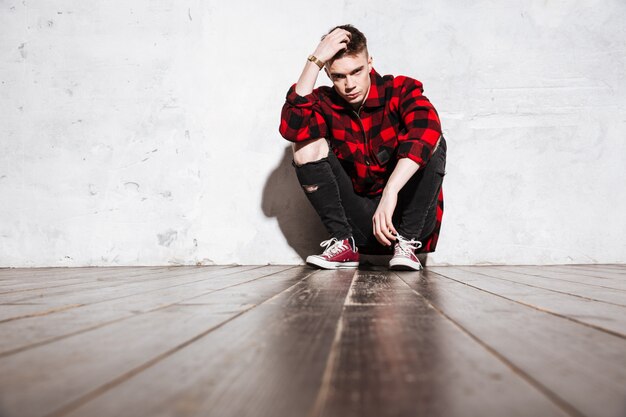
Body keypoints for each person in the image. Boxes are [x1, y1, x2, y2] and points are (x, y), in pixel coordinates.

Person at [279, 24, 446, 271]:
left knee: (433, 138)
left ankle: (406, 246)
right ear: (329, 75)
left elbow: (426, 131)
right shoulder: (325, 103)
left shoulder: (400, 90)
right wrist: (315, 60)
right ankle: (344, 246)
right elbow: (292, 128)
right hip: (360, 225)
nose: (349, 85)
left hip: (409, 222)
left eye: (356, 71)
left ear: (370, 62)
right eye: (339, 76)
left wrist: (391, 192)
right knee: (305, 143)